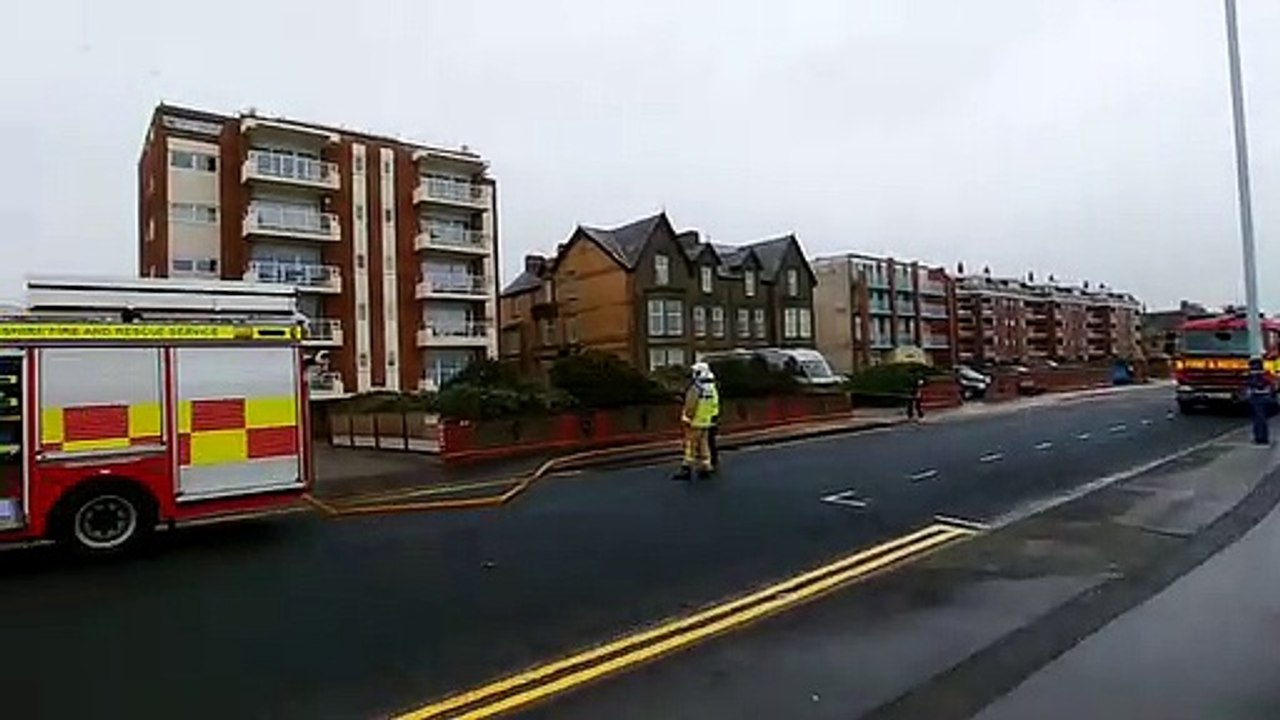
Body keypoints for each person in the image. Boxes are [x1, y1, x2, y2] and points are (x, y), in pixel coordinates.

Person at [673, 362, 719, 481]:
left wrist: (686, 418)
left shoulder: (696, 388)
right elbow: (715, 405)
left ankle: (686, 468)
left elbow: (691, 405)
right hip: (706, 421)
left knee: (690, 445)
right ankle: (705, 467)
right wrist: (712, 418)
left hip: (695, 421)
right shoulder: (711, 388)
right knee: (704, 445)